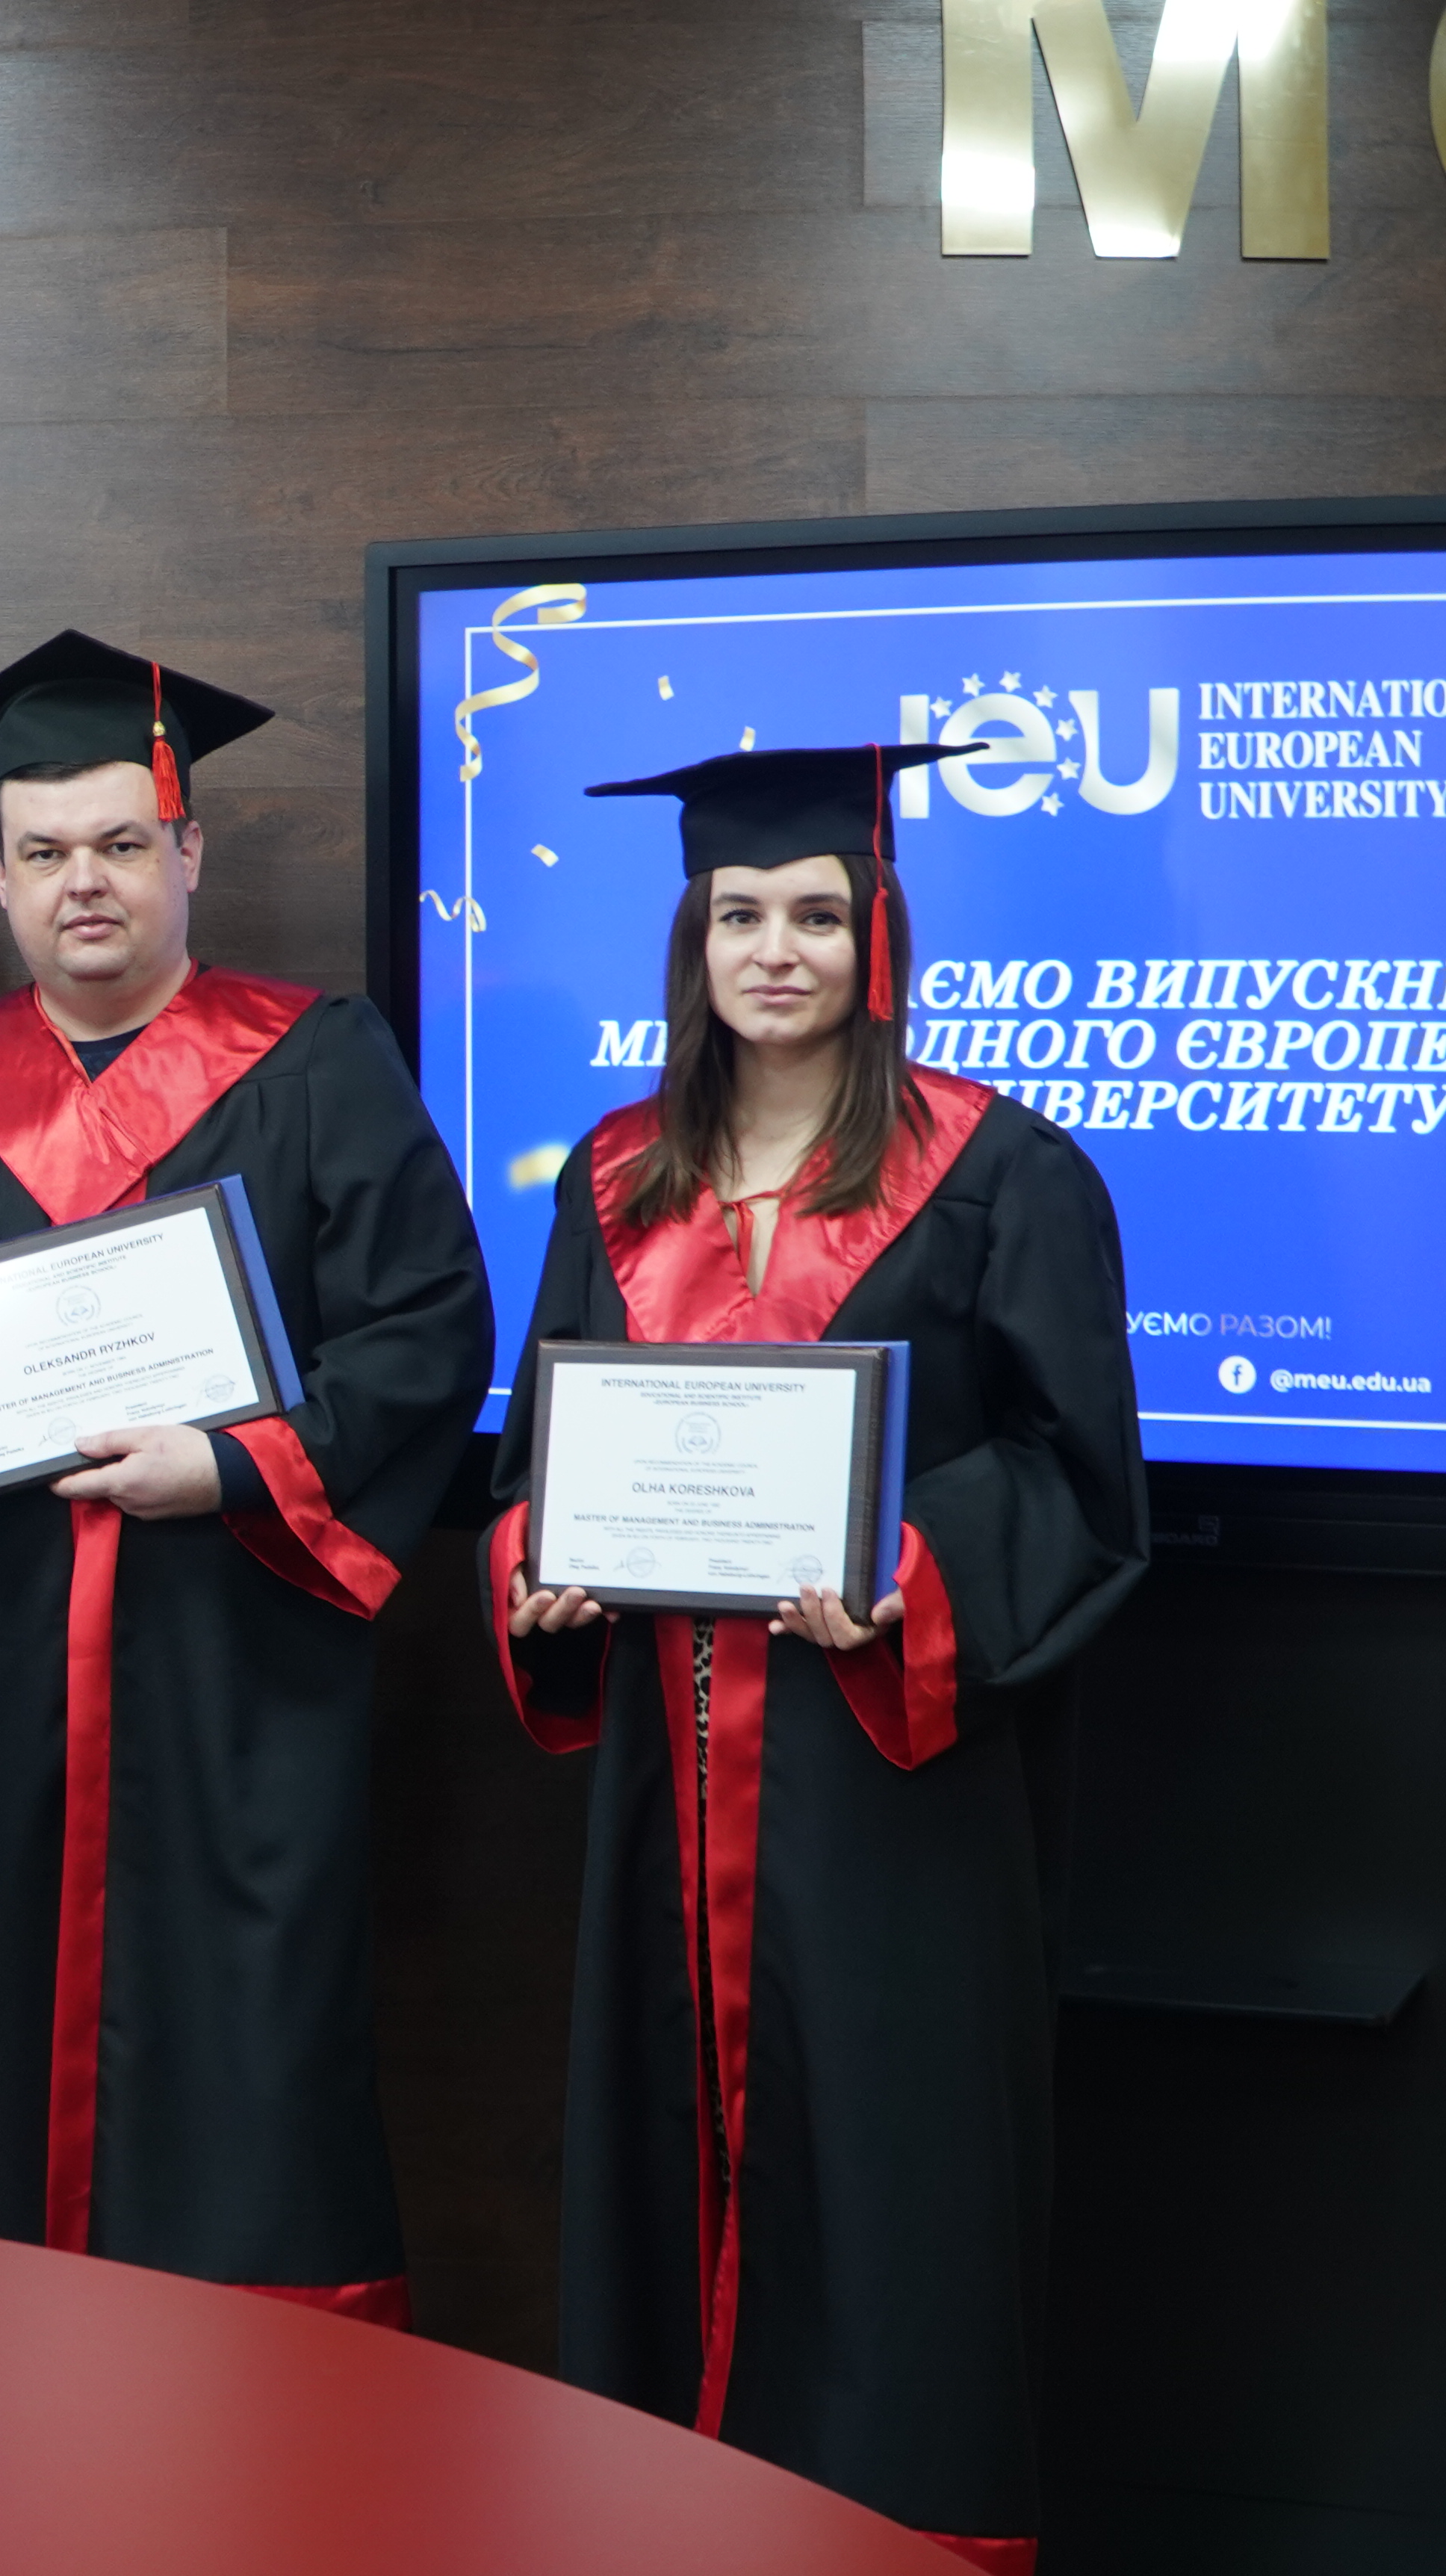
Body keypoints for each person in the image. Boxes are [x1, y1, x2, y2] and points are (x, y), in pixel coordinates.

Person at [490, 746, 1146, 2568]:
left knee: (885, 2173)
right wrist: (534, 1564)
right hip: (668, 1775)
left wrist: (907, 1571)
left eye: (816, 914)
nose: (775, 948)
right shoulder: (615, 1174)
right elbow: (540, 1449)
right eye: (739, 914)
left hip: (882, 1794)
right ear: (691, 937)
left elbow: (1077, 1476)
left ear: (878, 936)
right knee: (665, 2152)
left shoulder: (998, 1168)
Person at [0, 631, 492, 2310]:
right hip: (7, 1661)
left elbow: (426, 1329)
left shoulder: (316, 1059)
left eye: (121, 843)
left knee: (253, 2038)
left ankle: (261, 2405)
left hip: (241, 1657)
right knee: (18, 2019)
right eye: (46, 850)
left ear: (187, 851)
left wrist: (230, 1463)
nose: (86, 882)